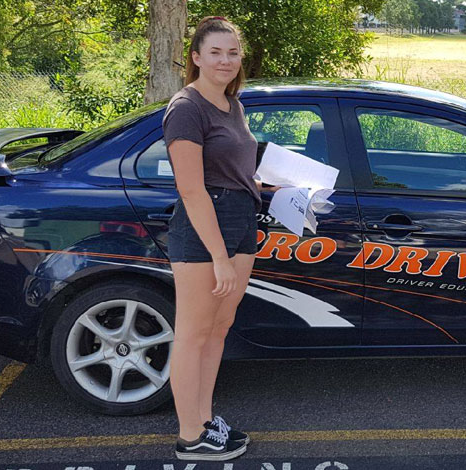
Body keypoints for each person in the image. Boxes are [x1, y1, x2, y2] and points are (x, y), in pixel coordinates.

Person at [162, 16, 275, 461]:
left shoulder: (233, 104)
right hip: (203, 227)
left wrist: (275, 192)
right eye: (216, 52)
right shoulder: (186, 107)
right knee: (192, 333)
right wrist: (220, 257)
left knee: (218, 329)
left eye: (232, 52)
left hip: (239, 218)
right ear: (196, 57)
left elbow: (236, 172)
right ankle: (190, 436)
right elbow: (190, 188)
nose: (226, 60)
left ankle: (206, 421)